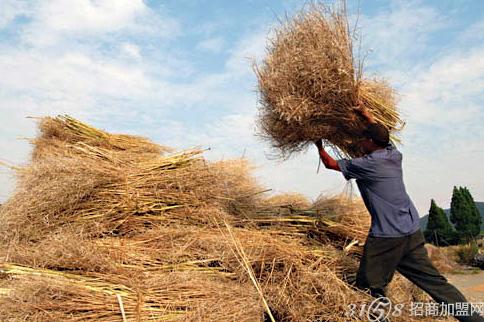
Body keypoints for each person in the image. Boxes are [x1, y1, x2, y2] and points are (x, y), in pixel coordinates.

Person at [314, 106, 484, 322]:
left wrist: (318, 142)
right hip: (411, 232)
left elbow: (329, 164)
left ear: (372, 143)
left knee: (368, 288)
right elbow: (381, 134)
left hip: (386, 237)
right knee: (437, 284)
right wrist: (366, 114)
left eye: (364, 139)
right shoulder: (394, 155)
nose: (361, 142)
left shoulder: (368, 164)